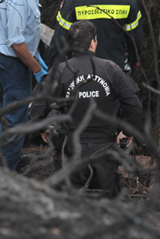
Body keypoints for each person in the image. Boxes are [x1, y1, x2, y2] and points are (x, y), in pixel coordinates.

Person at [42, 20, 144, 197]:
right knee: (107, 205)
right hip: (104, 152)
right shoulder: (110, 69)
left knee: (67, 204)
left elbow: (37, 103)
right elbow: (134, 105)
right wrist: (127, 132)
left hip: (70, 151)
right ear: (92, 42)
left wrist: (42, 126)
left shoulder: (59, 71)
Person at [0, 0, 48, 170]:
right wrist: (36, 69)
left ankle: (10, 159)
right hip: (13, 62)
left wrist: (37, 56)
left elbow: (27, 30)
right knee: (15, 118)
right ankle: (2, 170)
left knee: (14, 114)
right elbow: (16, 41)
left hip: (18, 58)